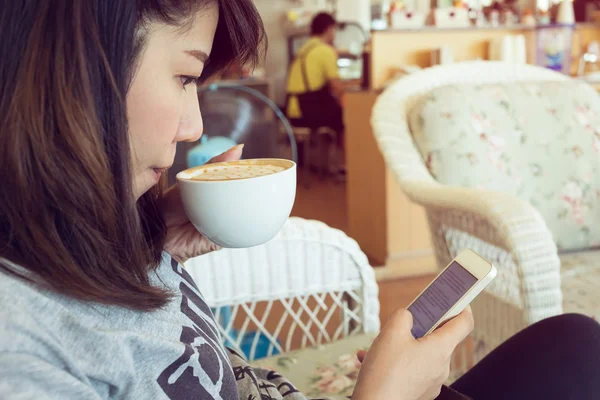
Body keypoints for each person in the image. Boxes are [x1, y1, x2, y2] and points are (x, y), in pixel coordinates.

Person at [0, 1, 599, 399]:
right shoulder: (24, 354)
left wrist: (149, 241)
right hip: (316, 112)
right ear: (75, 68)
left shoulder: (92, 229)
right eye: (186, 77)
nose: (192, 127)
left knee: (575, 338)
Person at [285, 12, 345, 144]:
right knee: (349, 116)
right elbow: (336, 86)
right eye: (334, 29)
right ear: (329, 29)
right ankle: (345, 161)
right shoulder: (325, 50)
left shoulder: (305, 48)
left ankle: (325, 160)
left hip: (293, 109)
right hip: (307, 110)